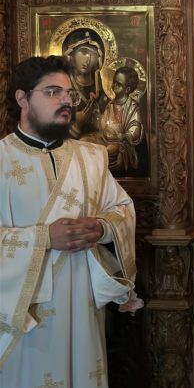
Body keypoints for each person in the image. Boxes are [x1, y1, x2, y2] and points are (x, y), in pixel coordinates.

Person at [0, 56, 138, 387]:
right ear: (23, 99)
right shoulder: (2, 159)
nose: (66, 101)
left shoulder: (91, 157)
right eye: (53, 92)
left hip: (81, 305)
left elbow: (122, 209)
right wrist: (44, 238)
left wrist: (102, 228)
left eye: (69, 93)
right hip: (24, 315)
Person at [81, 65, 144, 172]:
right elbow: (103, 125)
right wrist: (96, 111)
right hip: (106, 138)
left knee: (105, 151)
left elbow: (135, 127)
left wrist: (124, 136)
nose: (114, 85)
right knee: (84, 140)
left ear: (127, 89)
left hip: (120, 143)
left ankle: (96, 169)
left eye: (119, 84)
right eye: (114, 81)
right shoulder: (110, 104)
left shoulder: (132, 106)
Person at [62, 28, 113, 139]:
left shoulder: (101, 89)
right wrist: (71, 122)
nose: (88, 60)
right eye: (84, 52)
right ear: (71, 54)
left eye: (93, 55)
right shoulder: (63, 85)